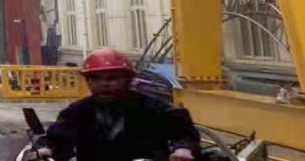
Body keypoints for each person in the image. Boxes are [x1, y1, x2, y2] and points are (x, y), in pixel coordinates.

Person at [34, 48, 201, 161]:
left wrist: (183, 149)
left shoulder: (153, 108)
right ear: (88, 81)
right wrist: (45, 149)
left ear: (128, 80)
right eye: (96, 79)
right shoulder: (77, 112)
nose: (104, 84)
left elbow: (184, 133)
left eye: (112, 78)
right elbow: (56, 137)